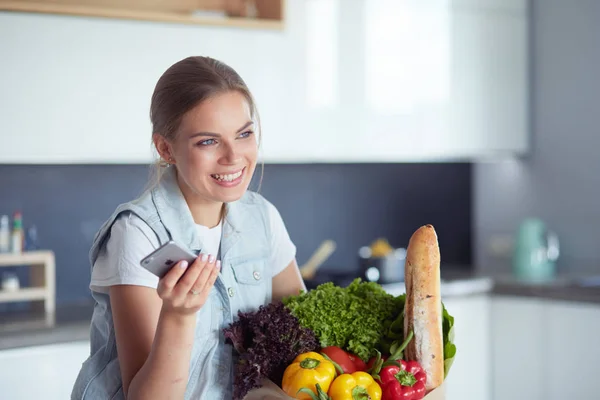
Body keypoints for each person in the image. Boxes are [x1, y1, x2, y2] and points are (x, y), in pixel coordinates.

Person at [71, 56, 306, 400]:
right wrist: (179, 316)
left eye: (243, 134)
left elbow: (302, 338)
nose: (233, 156)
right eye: (208, 141)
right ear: (166, 148)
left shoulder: (262, 217)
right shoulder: (138, 233)